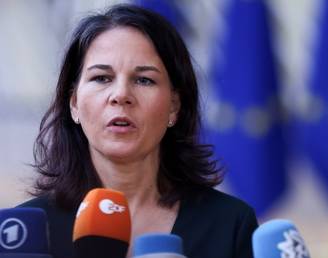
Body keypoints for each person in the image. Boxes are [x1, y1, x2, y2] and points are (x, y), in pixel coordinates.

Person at [18, 4, 258, 258]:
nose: (121, 95)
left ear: (174, 106)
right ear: (74, 103)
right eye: (101, 78)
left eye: (144, 80)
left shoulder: (230, 224)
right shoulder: (28, 234)